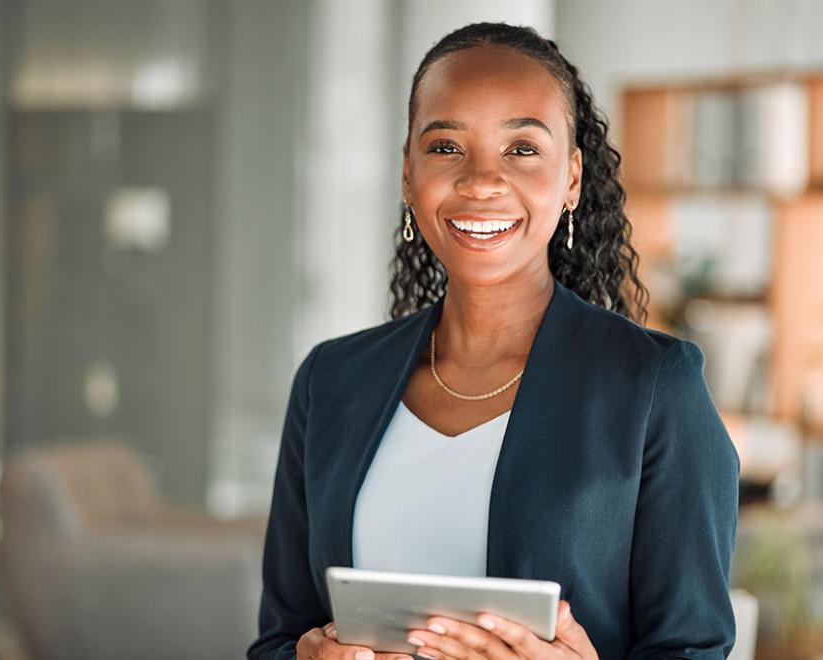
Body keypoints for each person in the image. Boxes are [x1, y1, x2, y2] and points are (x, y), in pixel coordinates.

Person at [247, 22, 739, 660]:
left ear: (572, 178)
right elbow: (277, 639)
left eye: (523, 149)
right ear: (407, 174)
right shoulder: (331, 380)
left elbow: (695, 648)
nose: (481, 181)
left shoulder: (654, 386)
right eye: (446, 146)